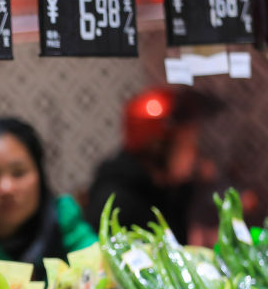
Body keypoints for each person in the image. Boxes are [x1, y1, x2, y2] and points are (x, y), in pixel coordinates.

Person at [0, 118, 96, 272]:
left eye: (18, 173)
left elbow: (98, 266)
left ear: (40, 175)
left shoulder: (65, 220)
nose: (6, 189)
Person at [84, 86, 221, 244]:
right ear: (158, 149)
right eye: (188, 145)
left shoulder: (164, 190)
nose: (195, 154)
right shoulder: (119, 203)